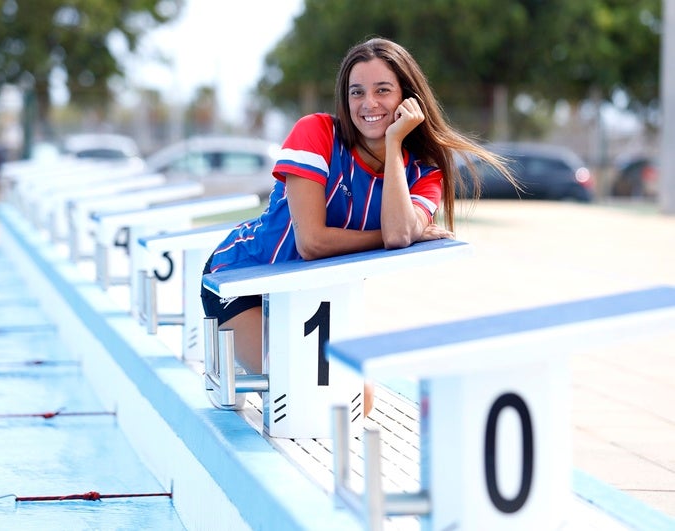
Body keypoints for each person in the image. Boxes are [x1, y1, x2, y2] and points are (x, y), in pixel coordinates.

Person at [201, 37, 513, 414]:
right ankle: (240, 355)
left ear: (407, 98)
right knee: (305, 400)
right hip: (241, 280)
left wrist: (395, 143)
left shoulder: (423, 172)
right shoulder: (315, 133)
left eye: (383, 90)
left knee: (355, 406)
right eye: (357, 92)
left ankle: (262, 358)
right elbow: (313, 243)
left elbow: (400, 232)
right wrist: (390, 237)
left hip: (309, 299)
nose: (369, 104)